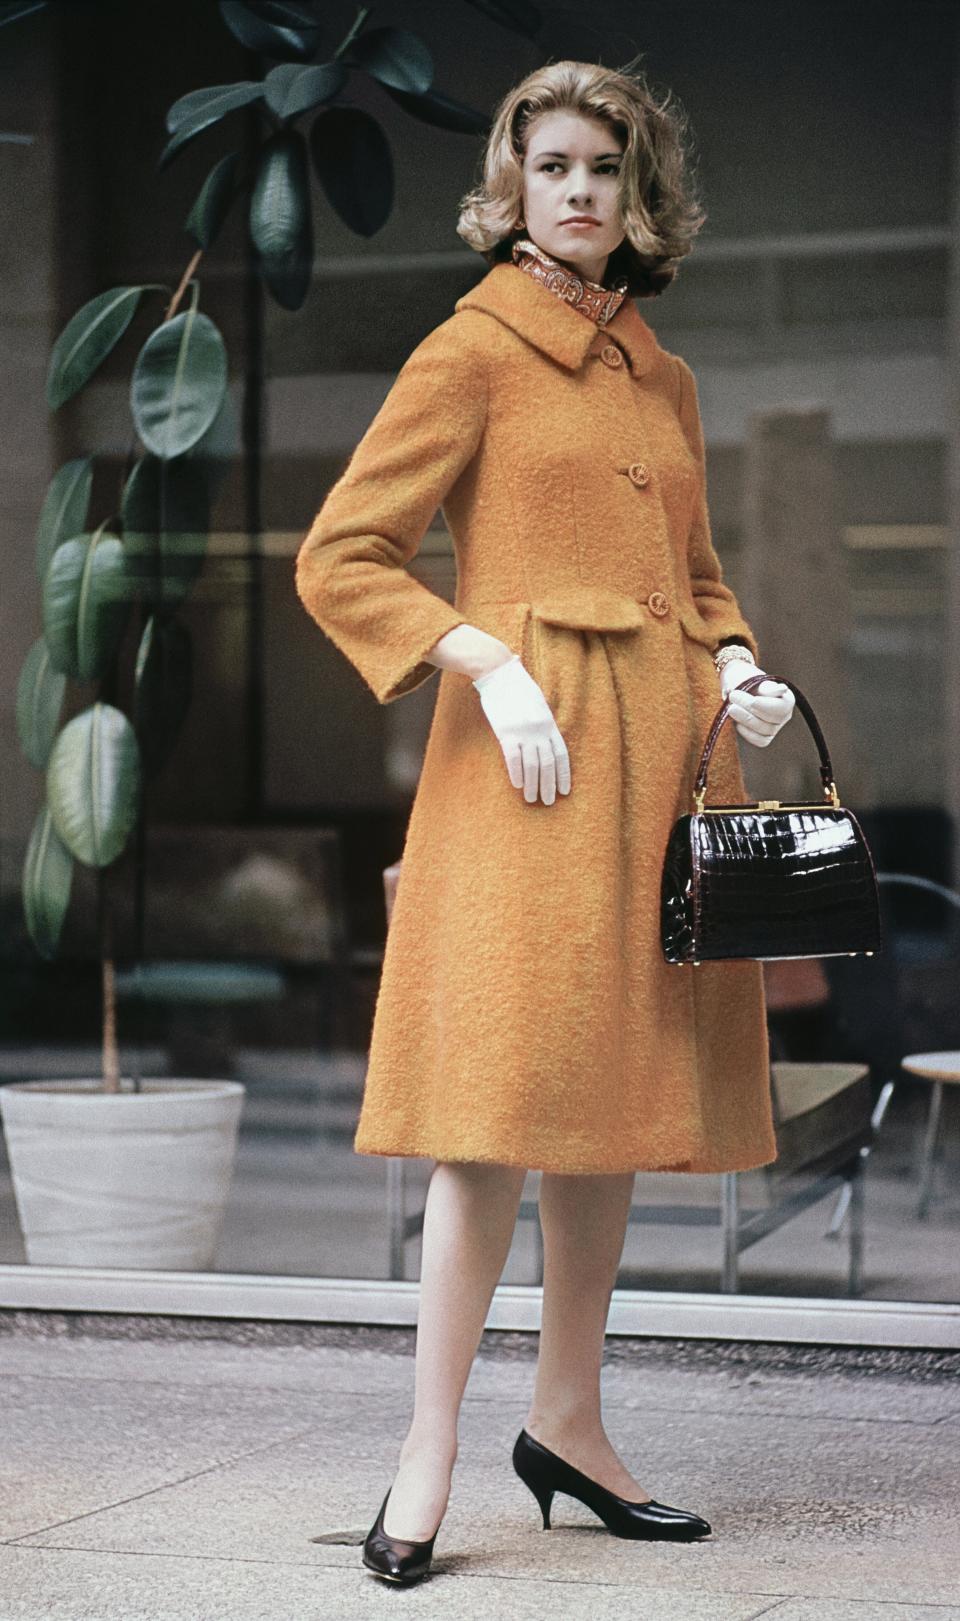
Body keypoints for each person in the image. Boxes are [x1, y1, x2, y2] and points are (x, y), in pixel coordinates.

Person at [295, 57, 796, 1586]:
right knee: (495, 1110)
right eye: (556, 164)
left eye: (608, 168)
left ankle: (568, 1423)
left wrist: (740, 662)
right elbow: (345, 555)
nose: (582, 191)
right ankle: (429, 1443)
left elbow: (699, 576)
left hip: (660, 766)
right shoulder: (474, 350)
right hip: (522, 769)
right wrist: (486, 656)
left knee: (613, 1103)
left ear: (644, 197)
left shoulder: (667, 376)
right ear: (512, 186)